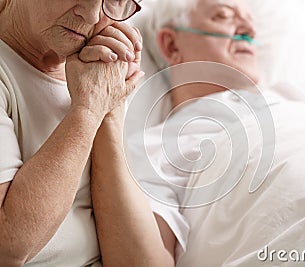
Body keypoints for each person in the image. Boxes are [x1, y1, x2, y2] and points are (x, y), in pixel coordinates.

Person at [127, 0, 305, 265]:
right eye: (223, 15)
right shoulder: (155, 148)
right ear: (172, 44)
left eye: (250, 20)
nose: (248, 28)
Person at [0, 0, 182, 266]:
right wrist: (87, 111)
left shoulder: (93, 71)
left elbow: (143, 262)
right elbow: (8, 245)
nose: (93, 14)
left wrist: (110, 105)